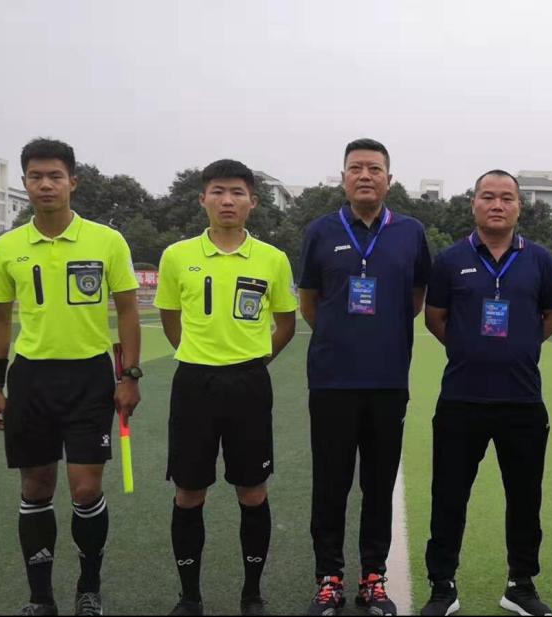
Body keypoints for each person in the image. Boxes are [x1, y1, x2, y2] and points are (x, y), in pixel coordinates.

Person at [0, 138, 142, 616]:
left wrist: (129, 376)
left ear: (73, 181)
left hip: (89, 377)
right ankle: (40, 598)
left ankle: (88, 589)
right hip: (31, 379)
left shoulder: (106, 240)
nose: (46, 185)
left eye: (55, 176)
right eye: (36, 177)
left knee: (86, 489)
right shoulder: (6, 247)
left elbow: (128, 310)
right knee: (35, 488)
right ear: (25, 183)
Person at [154, 159, 298, 616]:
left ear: (253, 201)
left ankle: (252, 594)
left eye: (237, 192)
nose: (227, 200)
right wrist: (199, 354)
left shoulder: (272, 259)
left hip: (249, 384)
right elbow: (169, 317)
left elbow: (286, 323)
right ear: (203, 199)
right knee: (189, 492)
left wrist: (254, 359)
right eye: (218, 191)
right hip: (194, 384)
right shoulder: (177, 256)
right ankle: (189, 597)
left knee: (252, 490)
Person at [419, 170, 552, 617]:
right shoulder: (450, 259)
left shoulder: (540, 260)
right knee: (449, 496)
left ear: (519, 206)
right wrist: (470, 350)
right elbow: (435, 317)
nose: (497, 205)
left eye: (506, 197)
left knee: (524, 498)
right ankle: (442, 586)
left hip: (522, 400)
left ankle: (520, 584)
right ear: (474, 204)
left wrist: (518, 348)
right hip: (461, 399)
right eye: (488, 197)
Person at [298, 138, 431, 616]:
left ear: (389, 180)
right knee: (330, 485)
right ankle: (329, 578)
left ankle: (373, 577)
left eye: (375, 168)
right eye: (356, 168)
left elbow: (415, 297)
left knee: (378, 485)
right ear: (343, 178)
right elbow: (310, 302)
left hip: (388, 381)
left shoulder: (411, 233)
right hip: (331, 381)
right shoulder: (320, 231)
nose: (365, 175)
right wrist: (342, 337)